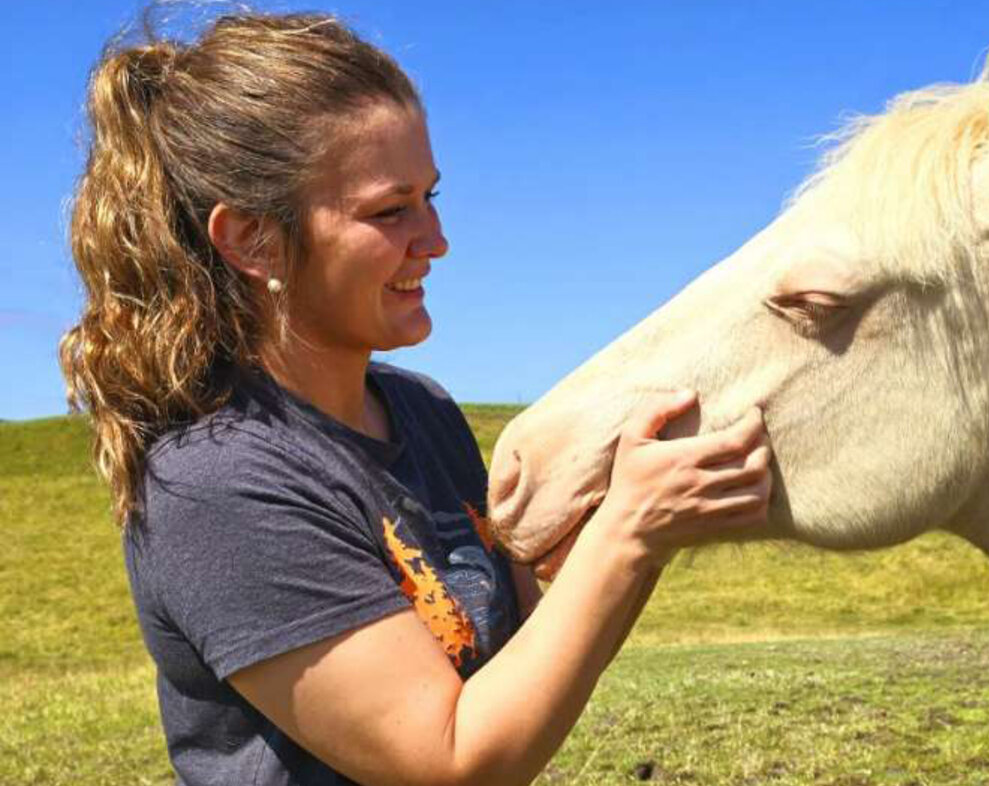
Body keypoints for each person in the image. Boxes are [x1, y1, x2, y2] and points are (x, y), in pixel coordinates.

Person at [59, 10, 772, 786]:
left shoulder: (423, 414)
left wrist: (617, 525)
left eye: (431, 198)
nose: (435, 240)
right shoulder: (218, 485)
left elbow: (528, 664)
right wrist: (629, 536)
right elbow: (446, 761)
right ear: (253, 240)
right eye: (390, 211)